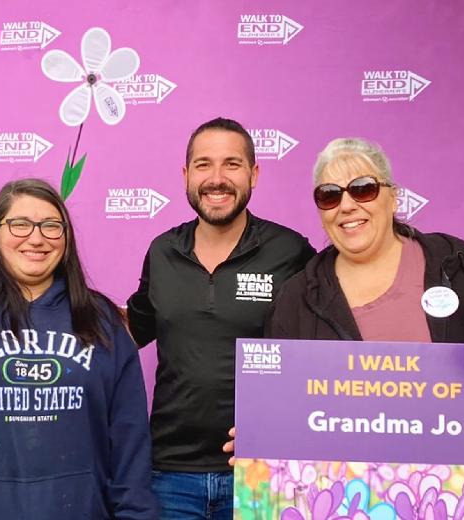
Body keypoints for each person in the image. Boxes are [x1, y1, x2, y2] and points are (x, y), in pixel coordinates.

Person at [127, 117, 315, 519]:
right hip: (169, 473)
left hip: (262, 470)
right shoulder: (162, 251)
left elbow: (322, 351)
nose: (217, 178)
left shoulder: (291, 251)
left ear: (254, 173)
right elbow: (129, 331)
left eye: (232, 164)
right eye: (203, 164)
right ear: (185, 175)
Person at [0, 179, 158, 519]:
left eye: (51, 226)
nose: (36, 238)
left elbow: (129, 441)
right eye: (20, 224)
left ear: (66, 238)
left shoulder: (102, 322)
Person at [266, 137, 464, 342]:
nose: (346, 206)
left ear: (393, 199)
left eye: (363, 189)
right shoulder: (296, 299)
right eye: (330, 195)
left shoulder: (459, 265)